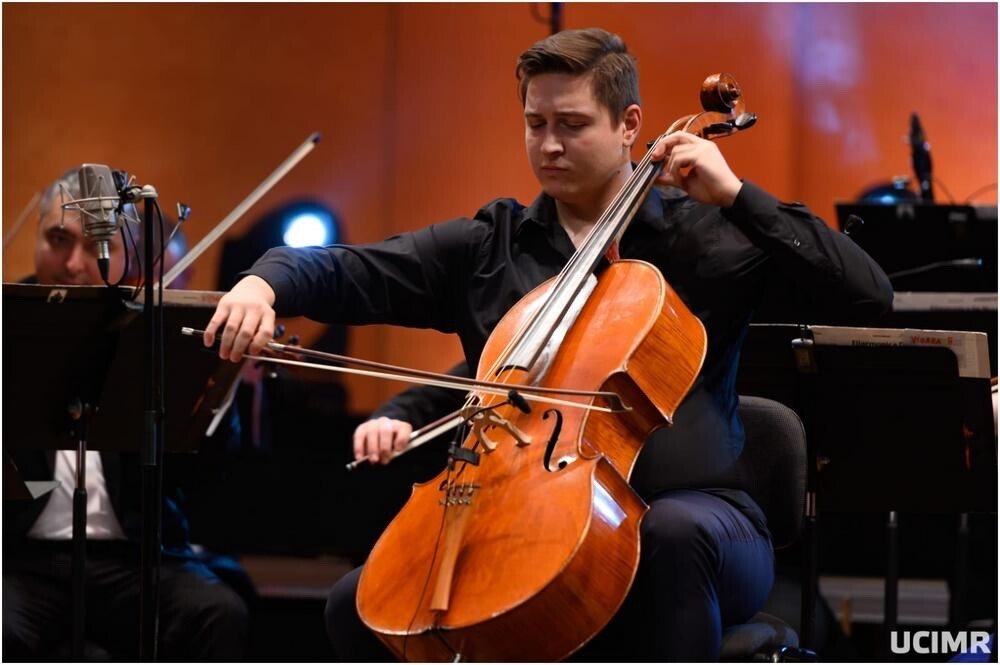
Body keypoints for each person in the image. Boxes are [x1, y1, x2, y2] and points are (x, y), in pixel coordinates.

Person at [204, 28, 892, 661]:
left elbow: (867, 293)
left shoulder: (707, 238)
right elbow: (345, 270)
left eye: (572, 124)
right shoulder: (489, 246)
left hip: (702, 514)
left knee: (669, 535)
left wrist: (739, 196)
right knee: (358, 604)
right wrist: (263, 285)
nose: (549, 145)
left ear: (629, 126)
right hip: (521, 515)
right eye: (536, 124)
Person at [3, 167, 249, 661]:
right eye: (58, 240)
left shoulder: (151, 330)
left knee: (220, 614)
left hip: (134, 560)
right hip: (19, 560)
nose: (74, 264)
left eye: (97, 245)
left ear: (126, 257)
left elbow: (210, 472)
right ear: (36, 238)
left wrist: (219, 380)